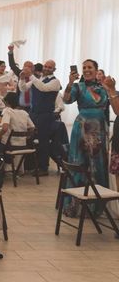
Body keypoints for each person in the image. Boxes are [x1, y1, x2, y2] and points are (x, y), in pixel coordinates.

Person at [62, 60, 109, 217]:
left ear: (97, 70)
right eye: (84, 68)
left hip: (99, 128)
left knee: (98, 163)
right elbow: (66, 100)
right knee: (81, 162)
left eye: (90, 68)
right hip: (82, 128)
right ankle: (77, 204)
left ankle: (96, 205)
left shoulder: (104, 86)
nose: (87, 70)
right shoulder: (78, 86)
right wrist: (70, 82)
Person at [19, 59, 61, 176]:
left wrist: (31, 75)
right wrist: (22, 78)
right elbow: (23, 88)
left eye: (50, 67)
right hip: (33, 113)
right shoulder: (38, 79)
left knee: (43, 141)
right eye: (46, 66)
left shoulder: (55, 82)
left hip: (46, 115)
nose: (47, 68)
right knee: (30, 139)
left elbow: (43, 88)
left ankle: (44, 167)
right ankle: (31, 165)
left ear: (54, 69)